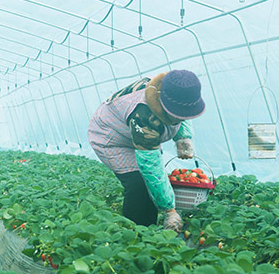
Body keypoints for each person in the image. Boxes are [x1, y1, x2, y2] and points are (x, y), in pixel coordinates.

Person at [88, 69, 206, 232]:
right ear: (164, 105)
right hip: (112, 137)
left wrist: (183, 138)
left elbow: (183, 111)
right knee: (138, 183)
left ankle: (151, 231)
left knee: (151, 184)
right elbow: (150, 166)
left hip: (132, 131)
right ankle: (137, 233)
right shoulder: (142, 115)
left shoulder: (170, 86)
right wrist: (169, 210)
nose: (180, 118)